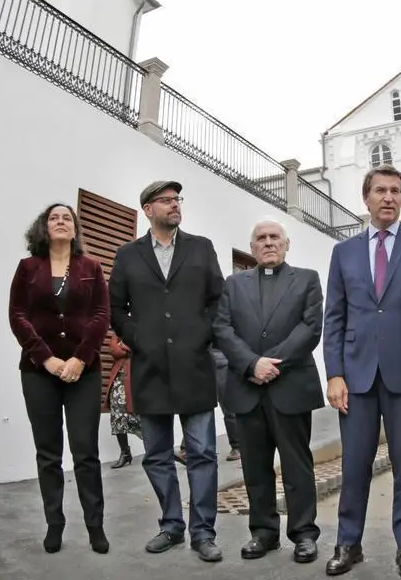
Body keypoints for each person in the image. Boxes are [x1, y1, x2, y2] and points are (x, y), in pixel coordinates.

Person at [322, 165, 401, 579]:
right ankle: (348, 543)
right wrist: (334, 373)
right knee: (354, 466)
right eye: (380, 190)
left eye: (396, 191)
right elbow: (334, 318)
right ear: (366, 198)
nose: (388, 197)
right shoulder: (344, 252)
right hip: (356, 377)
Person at [108, 181, 225, 563]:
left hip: (194, 367)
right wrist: (137, 338)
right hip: (150, 369)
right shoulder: (128, 255)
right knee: (157, 454)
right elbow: (116, 308)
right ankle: (171, 524)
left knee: (203, 452)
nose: (175, 205)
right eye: (166, 200)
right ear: (147, 209)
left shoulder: (201, 247)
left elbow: (217, 300)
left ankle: (203, 532)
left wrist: (201, 335)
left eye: (177, 200)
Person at [214, 219, 325, 564]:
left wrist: (271, 364)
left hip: (289, 385)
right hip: (247, 388)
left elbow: (310, 328)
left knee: (297, 466)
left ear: (287, 243)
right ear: (252, 246)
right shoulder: (233, 284)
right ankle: (263, 532)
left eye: (274, 237)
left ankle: (304, 534)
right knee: (255, 468)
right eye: (260, 238)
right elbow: (222, 328)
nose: (268, 242)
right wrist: (251, 364)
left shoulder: (306, 279)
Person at [8, 203, 111, 554]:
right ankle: (55, 524)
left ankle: (95, 526)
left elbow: (101, 315)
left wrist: (81, 359)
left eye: (67, 217)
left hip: (84, 372)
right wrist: (45, 358)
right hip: (39, 372)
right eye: (54, 217)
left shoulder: (91, 267)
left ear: (75, 227)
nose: (61, 221)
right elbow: (17, 315)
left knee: (86, 453)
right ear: (44, 227)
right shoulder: (27, 268)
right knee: (48, 453)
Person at [102, 331, 139, 469]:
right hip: (118, 379)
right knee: (117, 415)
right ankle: (125, 453)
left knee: (144, 416)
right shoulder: (120, 329)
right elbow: (113, 349)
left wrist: (124, 345)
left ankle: (155, 451)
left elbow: (142, 347)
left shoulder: (142, 324)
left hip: (137, 378)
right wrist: (129, 347)